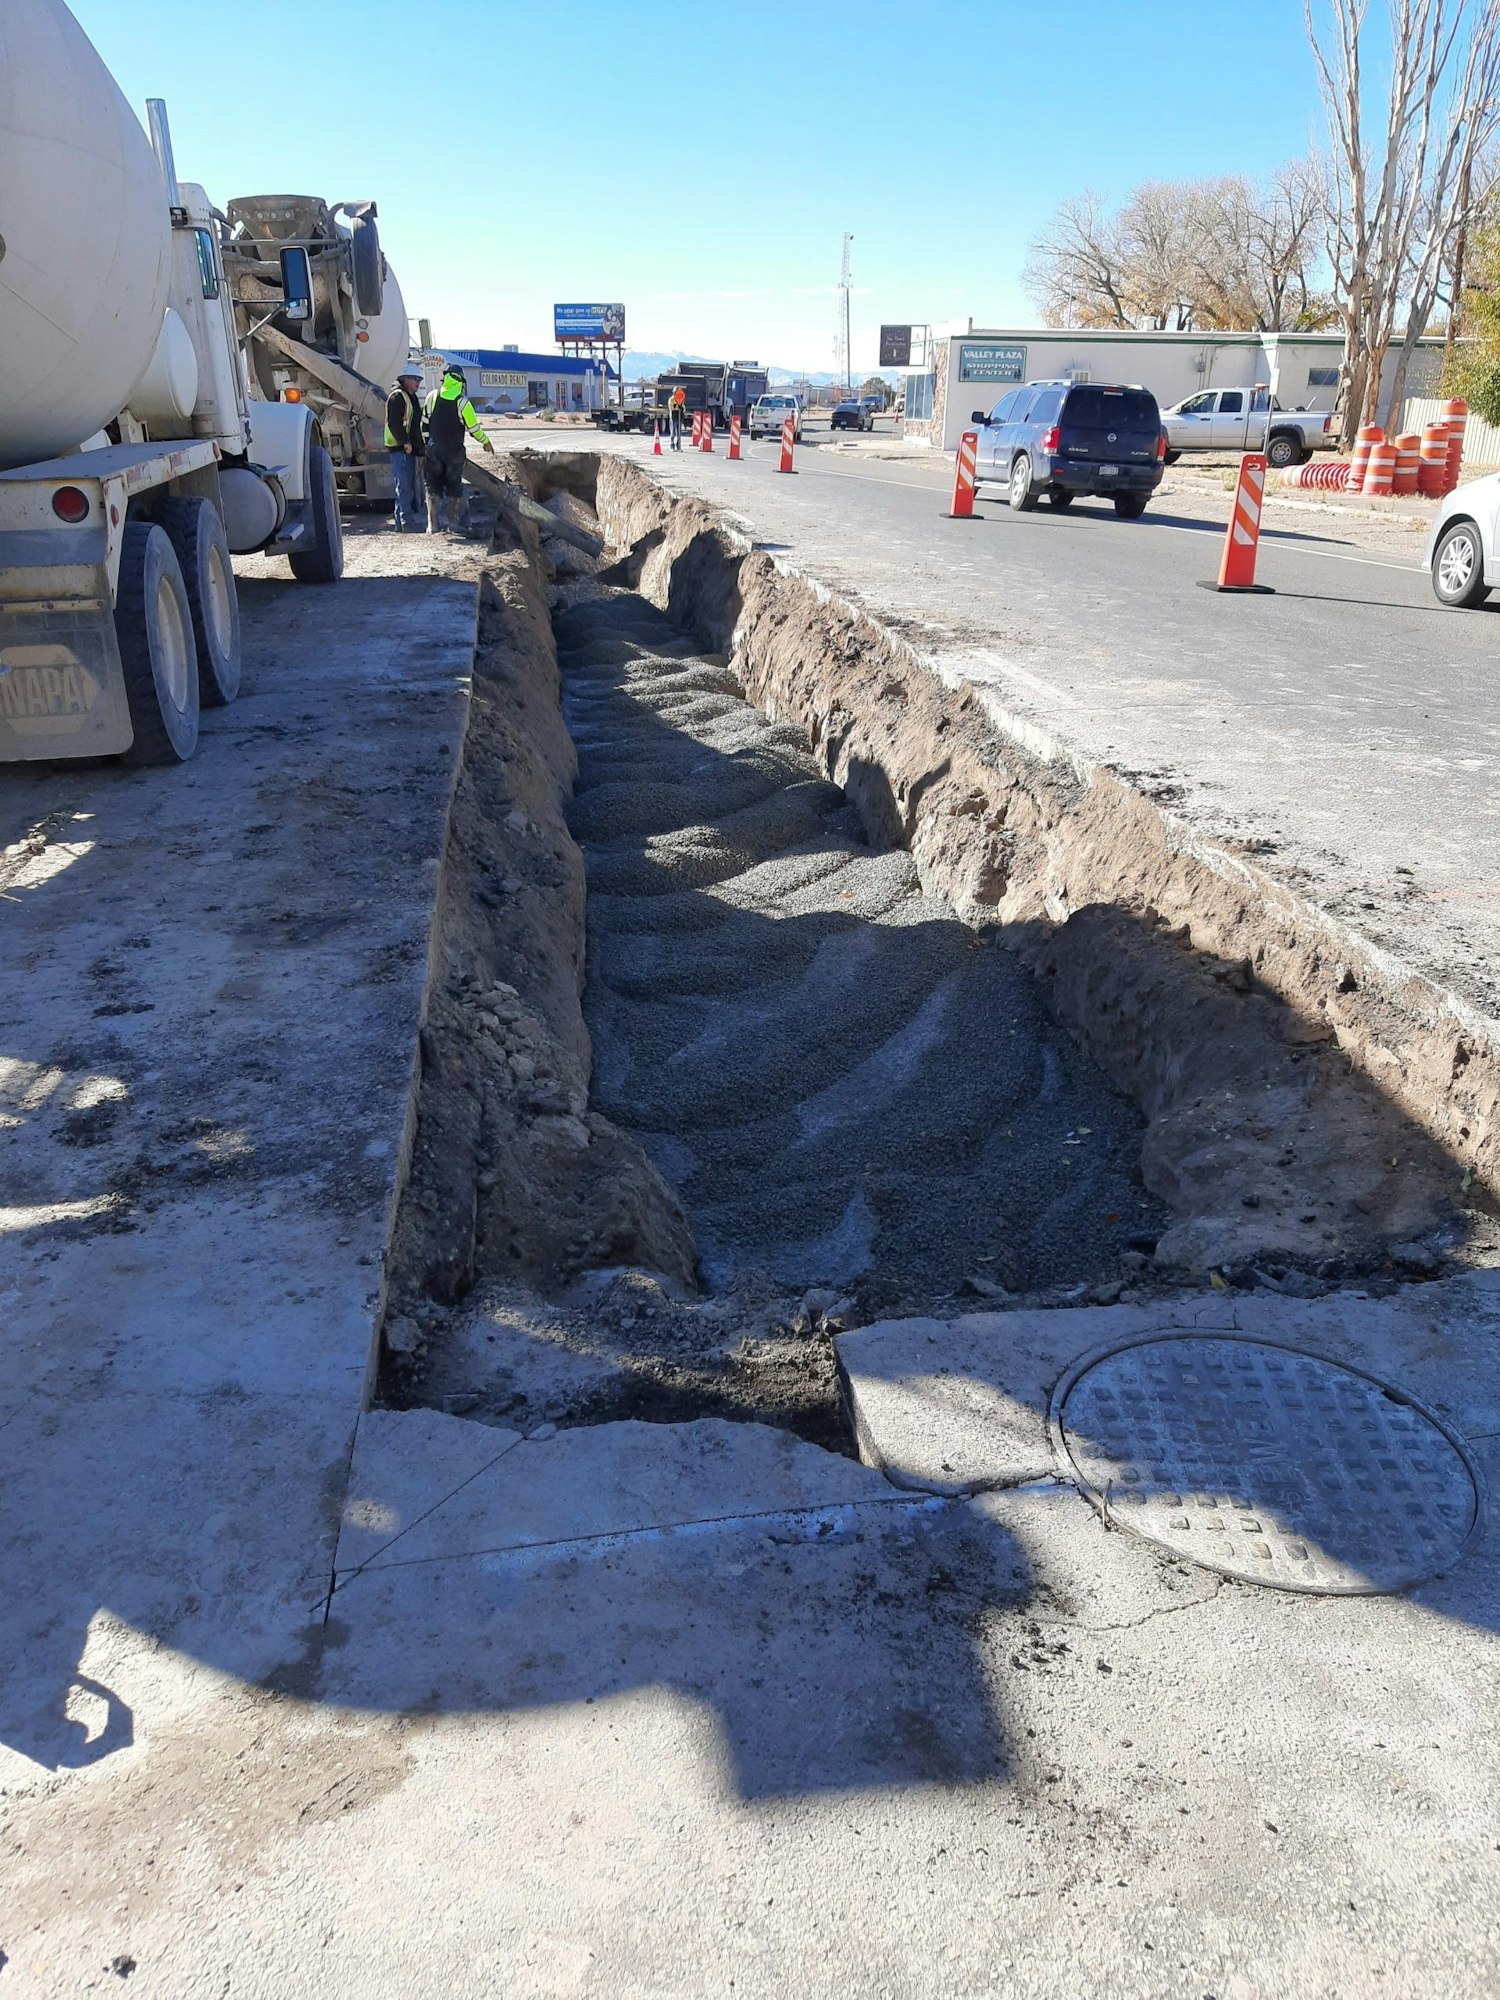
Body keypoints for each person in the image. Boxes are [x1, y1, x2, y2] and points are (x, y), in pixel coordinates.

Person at [423, 364, 495, 533]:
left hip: (434, 450)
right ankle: (453, 525)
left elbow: (423, 424)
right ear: (461, 382)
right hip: (454, 453)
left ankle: (432, 526)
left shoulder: (432, 396)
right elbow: (474, 429)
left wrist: (427, 445)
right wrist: (486, 442)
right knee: (454, 486)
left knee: (432, 485)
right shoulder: (462, 403)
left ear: (446, 378)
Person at [384, 363, 427, 530]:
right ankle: (407, 523)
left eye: (420, 379)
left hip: (405, 449)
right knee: (404, 487)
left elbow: (415, 424)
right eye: (416, 379)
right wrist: (405, 442)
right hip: (399, 449)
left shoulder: (410, 397)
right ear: (405, 379)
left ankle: (400, 523)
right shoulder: (398, 397)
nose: (418, 382)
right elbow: (395, 423)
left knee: (404, 486)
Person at [669, 383, 686, 450]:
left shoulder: (681, 399)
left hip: (680, 416)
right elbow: (671, 407)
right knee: (673, 432)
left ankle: (678, 446)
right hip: (673, 417)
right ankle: (672, 445)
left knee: (679, 433)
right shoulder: (671, 399)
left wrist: (681, 407)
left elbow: (684, 408)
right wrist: (676, 406)